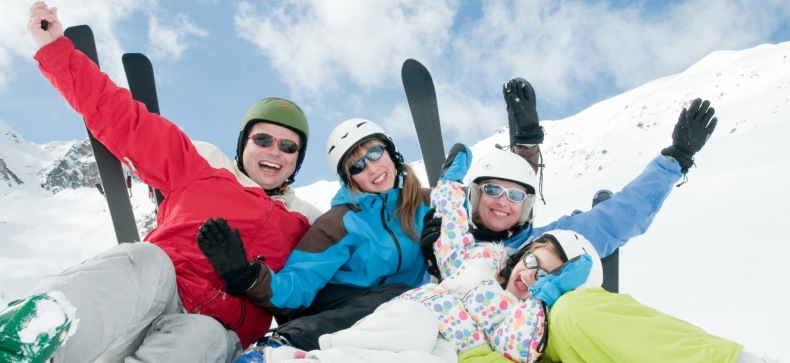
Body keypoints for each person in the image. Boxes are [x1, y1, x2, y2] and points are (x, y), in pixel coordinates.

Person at [0, 3, 321, 363]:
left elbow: (317, 287)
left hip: (217, 329)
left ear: (297, 159)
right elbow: (124, 119)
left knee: (203, 335)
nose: (274, 151)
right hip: (152, 293)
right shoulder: (202, 166)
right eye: (263, 139)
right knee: (144, 259)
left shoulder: (307, 222)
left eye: (288, 146)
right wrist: (55, 49)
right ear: (244, 143)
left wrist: (247, 276)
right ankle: (24, 341)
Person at [249, 149, 603, 363]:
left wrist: (545, 297)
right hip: (407, 309)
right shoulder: (474, 259)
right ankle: (290, 354)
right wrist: (449, 184)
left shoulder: (518, 303)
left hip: (448, 346)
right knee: (408, 323)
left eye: (514, 198)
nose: (501, 203)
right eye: (491, 191)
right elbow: (451, 229)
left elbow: (524, 342)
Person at [197, 118, 433, 358]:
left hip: (400, 315)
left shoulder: (430, 203)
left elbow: (473, 210)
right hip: (332, 309)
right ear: (349, 179)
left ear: (391, 152)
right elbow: (298, 284)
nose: (371, 169)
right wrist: (247, 276)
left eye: (374, 153)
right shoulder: (338, 223)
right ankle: (280, 347)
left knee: (412, 311)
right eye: (357, 166)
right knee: (398, 296)